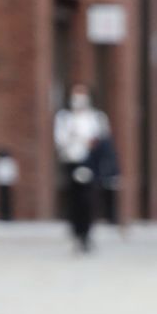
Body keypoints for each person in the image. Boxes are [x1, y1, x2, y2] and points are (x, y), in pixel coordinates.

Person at [53, 84, 110, 252]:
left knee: (88, 199)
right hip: (72, 162)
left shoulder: (97, 117)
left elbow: (102, 140)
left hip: (90, 163)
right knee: (74, 199)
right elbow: (60, 140)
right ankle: (76, 231)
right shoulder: (65, 117)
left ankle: (87, 233)